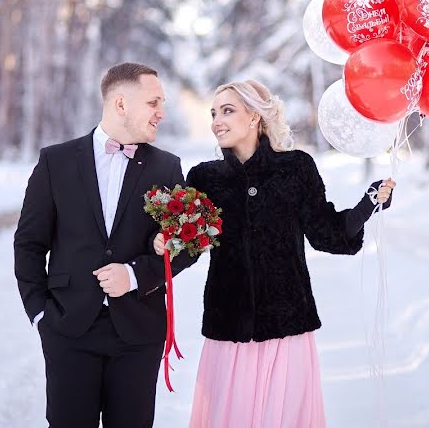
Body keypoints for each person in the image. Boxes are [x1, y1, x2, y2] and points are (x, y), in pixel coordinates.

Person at [153, 80, 395, 428]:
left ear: (255, 117)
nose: (217, 121)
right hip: (229, 331)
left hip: (287, 330)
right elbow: (189, 246)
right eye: (213, 113)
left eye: (228, 110)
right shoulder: (205, 177)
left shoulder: (296, 168)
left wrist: (368, 203)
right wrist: (163, 246)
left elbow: (327, 233)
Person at [15, 62, 198, 428]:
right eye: (153, 102)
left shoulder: (167, 167)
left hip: (138, 333)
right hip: (68, 331)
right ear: (120, 104)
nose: (162, 112)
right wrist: (40, 316)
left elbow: (186, 245)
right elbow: (29, 243)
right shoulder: (56, 161)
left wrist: (133, 276)